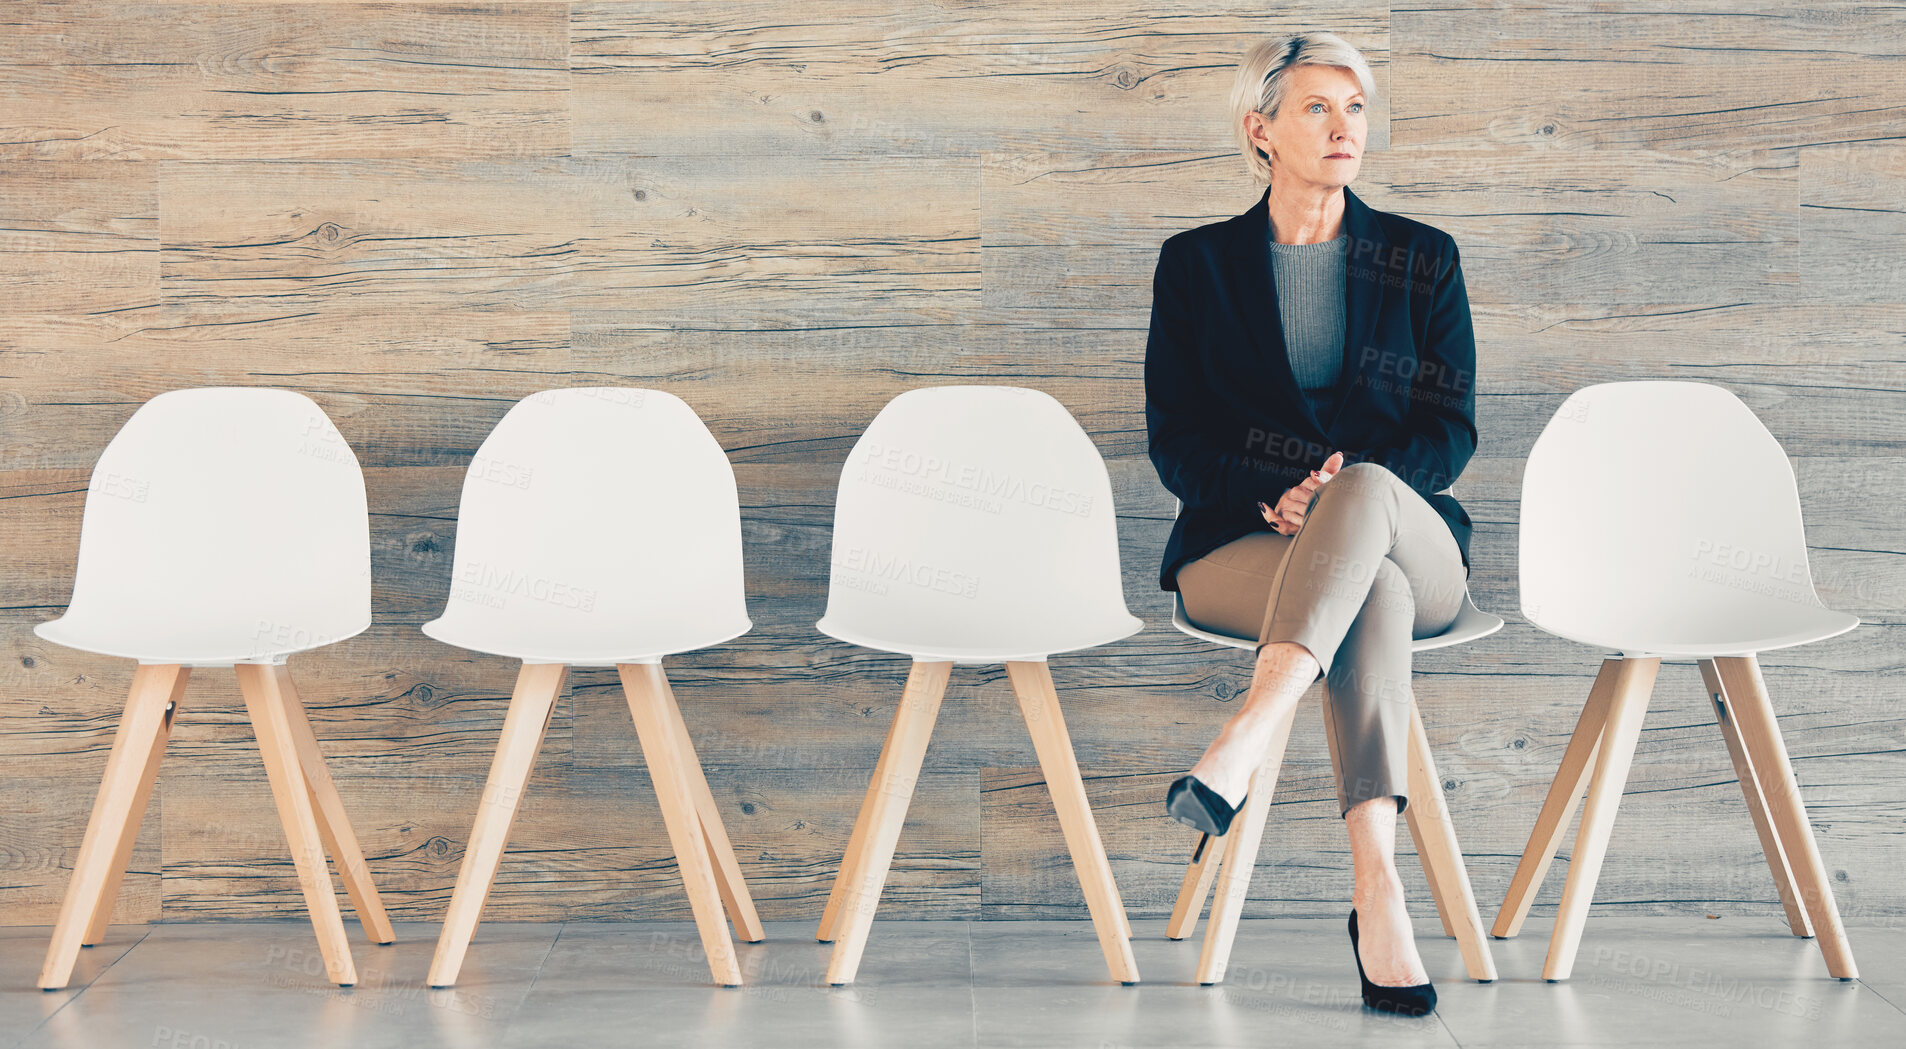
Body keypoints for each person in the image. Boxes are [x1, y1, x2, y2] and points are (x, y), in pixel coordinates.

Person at [1144, 31, 1479, 1017]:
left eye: (1356, 109)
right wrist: (1279, 492)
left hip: (1415, 542)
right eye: (1316, 110)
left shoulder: (1423, 257)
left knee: (1367, 491)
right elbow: (1178, 442)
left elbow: (1449, 430)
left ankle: (1244, 735)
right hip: (1242, 545)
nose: (1343, 129)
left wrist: (1337, 491)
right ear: (1260, 130)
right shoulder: (1195, 266)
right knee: (1358, 581)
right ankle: (1377, 889)